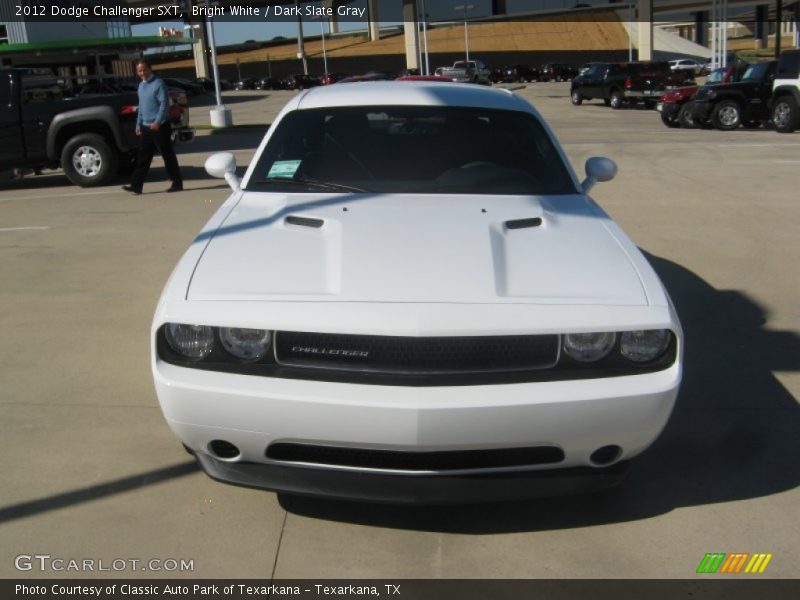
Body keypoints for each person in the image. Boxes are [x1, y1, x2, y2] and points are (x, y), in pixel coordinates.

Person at [123, 60, 183, 195]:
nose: (142, 73)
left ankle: (177, 183)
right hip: (146, 126)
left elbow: (164, 104)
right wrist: (138, 124)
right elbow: (141, 107)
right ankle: (136, 186)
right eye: (139, 71)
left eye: (144, 69)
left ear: (150, 69)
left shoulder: (158, 83)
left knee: (167, 155)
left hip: (160, 126)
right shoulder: (141, 86)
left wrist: (158, 121)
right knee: (143, 156)